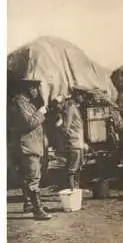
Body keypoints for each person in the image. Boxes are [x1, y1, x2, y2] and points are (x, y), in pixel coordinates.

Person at [9, 78, 51, 220]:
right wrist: (41, 112)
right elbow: (29, 123)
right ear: (29, 89)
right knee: (33, 178)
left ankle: (29, 204)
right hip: (27, 146)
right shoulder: (19, 102)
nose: (38, 92)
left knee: (31, 177)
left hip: (33, 145)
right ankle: (37, 210)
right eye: (36, 88)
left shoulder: (28, 103)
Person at [61, 88, 86, 190]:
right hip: (74, 141)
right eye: (81, 95)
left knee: (78, 167)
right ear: (76, 95)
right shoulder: (70, 106)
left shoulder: (75, 106)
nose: (83, 98)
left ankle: (76, 188)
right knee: (72, 168)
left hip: (78, 141)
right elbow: (66, 126)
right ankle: (72, 189)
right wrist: (68, 138)